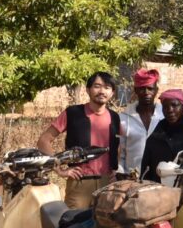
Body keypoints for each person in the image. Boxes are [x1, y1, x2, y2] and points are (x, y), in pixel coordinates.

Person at [37, 72, 120, 209]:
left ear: (112, 93)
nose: (102, 91)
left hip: (107, 185)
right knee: (73, 226)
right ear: (88, 90)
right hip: (79, 184)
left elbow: (117, 146)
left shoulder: (115, 117)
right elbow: (44, 141)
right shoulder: (73, 113)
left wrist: (116, 171)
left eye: (107, 87)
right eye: (97, 86)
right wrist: (59, 170)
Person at [140, 89, 183, 182]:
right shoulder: (155, 136)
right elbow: (145, 168)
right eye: (165, 107)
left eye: (174, 105)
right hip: (157, 190)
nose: (169, 110)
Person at [117, 68, 163, 179]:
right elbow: (120, 151)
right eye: (142, 89)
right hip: (132, 177)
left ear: (156, 90)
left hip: (161, 176)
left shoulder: (164, 116)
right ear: (136, 90)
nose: (146, 92)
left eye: (150, 88)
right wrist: (121, 172)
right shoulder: (123, 118)